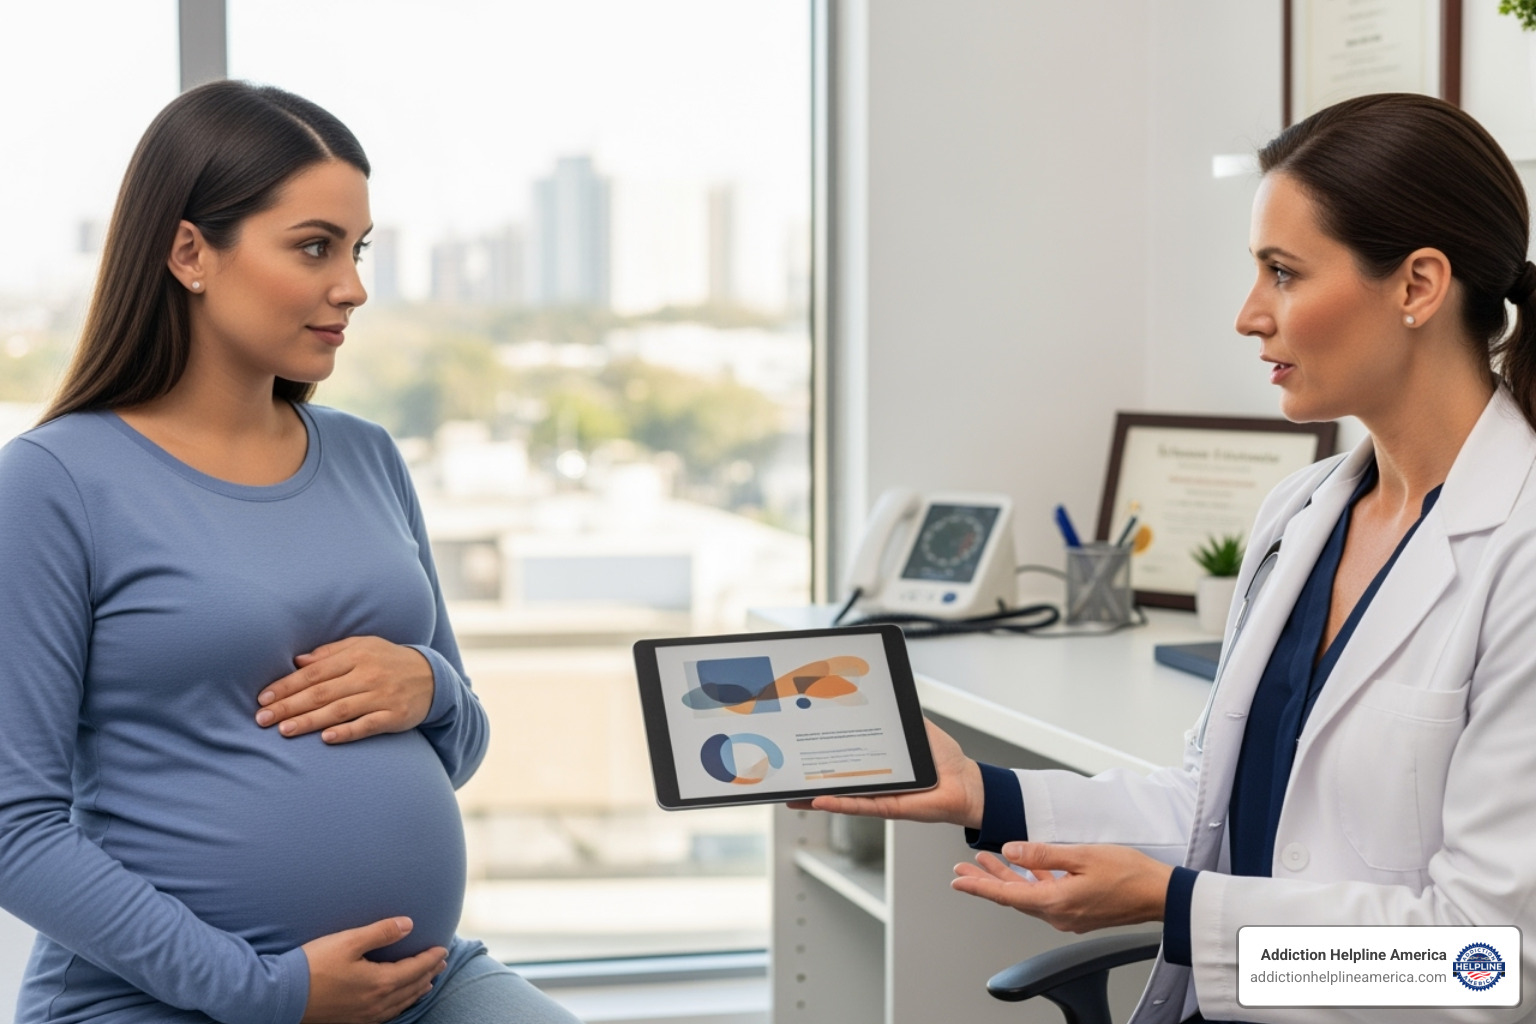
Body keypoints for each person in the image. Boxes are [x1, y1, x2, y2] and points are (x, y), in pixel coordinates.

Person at [806, 92, 1536, 1023]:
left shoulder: (1518, 553)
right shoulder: (1303, 513)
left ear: (1418, 286)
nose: (1248, 315)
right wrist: (982, 794)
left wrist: (1182, 909)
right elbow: (1211, 803)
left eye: (1282, 273)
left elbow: (1487, 967)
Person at [0, 81, 582, 1024]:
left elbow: (461, 745)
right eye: (315, 246)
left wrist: (431, 686)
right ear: (190, 252)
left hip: (419, 985)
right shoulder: (54, 482)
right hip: (159, 1003)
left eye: (358, 250)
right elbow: (14, 830)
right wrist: (266, 992)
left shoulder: (367, 456)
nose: (352, 286)